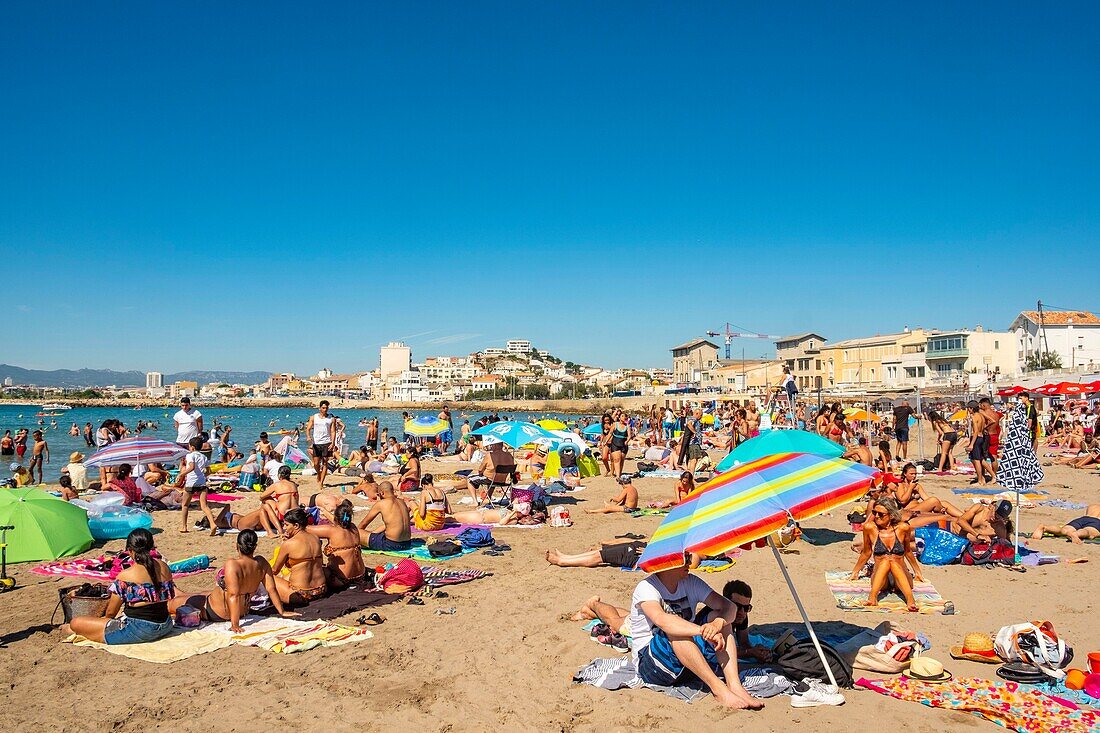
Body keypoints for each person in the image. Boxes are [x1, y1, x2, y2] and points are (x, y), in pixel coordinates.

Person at [627, 554, 763, 709]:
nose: (690, 562)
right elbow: (661, 620)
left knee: (720, 617)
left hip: (688, 661)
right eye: (685, 558)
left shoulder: (690, 582)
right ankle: (718, 689)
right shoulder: (647, 587)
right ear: (668, 560)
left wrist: (717, 624)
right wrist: (703, 631)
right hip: (652, 666)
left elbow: (730, 607)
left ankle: (734, 685)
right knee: (675, 629)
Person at [61, 529, 175, 644]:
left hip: (140, 630)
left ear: (130, 551)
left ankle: (70, 628)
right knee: (83, 626)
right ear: (152, 547)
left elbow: (111, 612)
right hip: (166, 624)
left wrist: (103, 624)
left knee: (75, 623)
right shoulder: (164, 567)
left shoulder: (126, 576)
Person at [170, 530, 299, 631]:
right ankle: (176, 590)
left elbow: (233, 595)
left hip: (216, 611)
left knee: (174, 603)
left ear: (237, 546)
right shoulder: (261, 563)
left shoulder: (233, 564)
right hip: (242, 610)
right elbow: (271, 589)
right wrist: (281, 611)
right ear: (255, 547)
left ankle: (175, 593)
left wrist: (234, 624)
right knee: (203, 593)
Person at [849, 497, 922, 612]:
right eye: (874, 512)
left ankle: (910, 600)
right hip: (881, 578)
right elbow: (866, 552)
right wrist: (855, 572)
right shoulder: (870, 528)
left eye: (881, 514)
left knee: (892, 560)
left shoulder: (903, 528)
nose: (876, 516)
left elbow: (907, 551)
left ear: (891, 515)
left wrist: (917, 572)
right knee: (886, 560)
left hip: (901, 576)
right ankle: (873, 597)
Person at [271, 508, 327, 604]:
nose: (284, 528)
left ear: (296, 525)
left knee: (266, 576)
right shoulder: (315, 538)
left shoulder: (289, 544)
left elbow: (275, 570)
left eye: (286, 525)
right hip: (321, 590)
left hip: (300, 594)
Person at [307, 500, 366, 587]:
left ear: (336, 518)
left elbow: (306, 529)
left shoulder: (331, 530)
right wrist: (325, 512)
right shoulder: (353, 528)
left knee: (315, 569)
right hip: (360, 576)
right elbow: (340, 523)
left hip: (341, 579)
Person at [177, 436, 216, 535]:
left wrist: (181, 474)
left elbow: (191, 467)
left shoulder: (190, 455)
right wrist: (203, 475)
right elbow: (208, 471)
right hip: (202, 483)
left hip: (191, 483)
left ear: (192, 447)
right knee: (204, 506)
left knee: (185, 505)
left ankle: (184, 526)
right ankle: (212, 524)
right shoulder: (204, 457)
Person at [357, 481, 412, 552]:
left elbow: (364, 523)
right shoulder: (402, 502)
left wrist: (357, 535)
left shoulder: (381, 503)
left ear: (382, 493)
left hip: (391, 544)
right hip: (407, 543)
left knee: (356, 532)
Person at [305, 400, 344, 488]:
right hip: (316, 443)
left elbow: (333, 431)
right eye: (323, 408)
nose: (325, 409)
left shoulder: (331, 419)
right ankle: (318, 474)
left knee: (325, 463)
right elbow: (308, 429)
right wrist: (308, 436)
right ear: (319, 408)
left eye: (326, 408)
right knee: (316, 464)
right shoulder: (314, 417)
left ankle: (321, 482)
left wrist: (333, 443)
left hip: (327, 442)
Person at [545, 539, 648, 569]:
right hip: (638, 547)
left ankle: (562, 562)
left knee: (599, 557)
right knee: (599, 551)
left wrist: (649, 552)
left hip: (636, 555)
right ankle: (567, 557)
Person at [258, 465, 300, 536]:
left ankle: (278, 530)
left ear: (279, 475)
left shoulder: (277, 485)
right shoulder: (294, 485)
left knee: (266, 501)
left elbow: (261, 496)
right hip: (296, 513)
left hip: (283, 514)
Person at [1031, 504, 1100, 544]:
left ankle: (1045, 528)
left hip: (1082, 519)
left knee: (1064, 530)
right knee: (1089, 532)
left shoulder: (1093, 506)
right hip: (1097, 521)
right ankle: (1076, 534)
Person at [965, 401, 995, 486]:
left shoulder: (975, 417)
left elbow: (975, 432)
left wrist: (971, 444)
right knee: (981, 459)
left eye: (969, 408)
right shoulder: (981, 415)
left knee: (976, 460)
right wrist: (985, 428)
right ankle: (990, 476)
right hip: (981, 438)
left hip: (976, 438)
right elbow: (991, 421)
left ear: (971, 408)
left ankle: (980, 481)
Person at [607, 412, 632, 478]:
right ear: (619, 417)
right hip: (615, 444)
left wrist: (627, 441)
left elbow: (629, 435)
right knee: (617, 459)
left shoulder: (627, 426)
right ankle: (618, 476)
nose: (624, 417)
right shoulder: (615, 424)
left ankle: (619, 474)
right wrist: (606, 441)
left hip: (623, 445)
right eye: (622, 416)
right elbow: (610, 433)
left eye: (625, 416)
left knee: (621, 460)